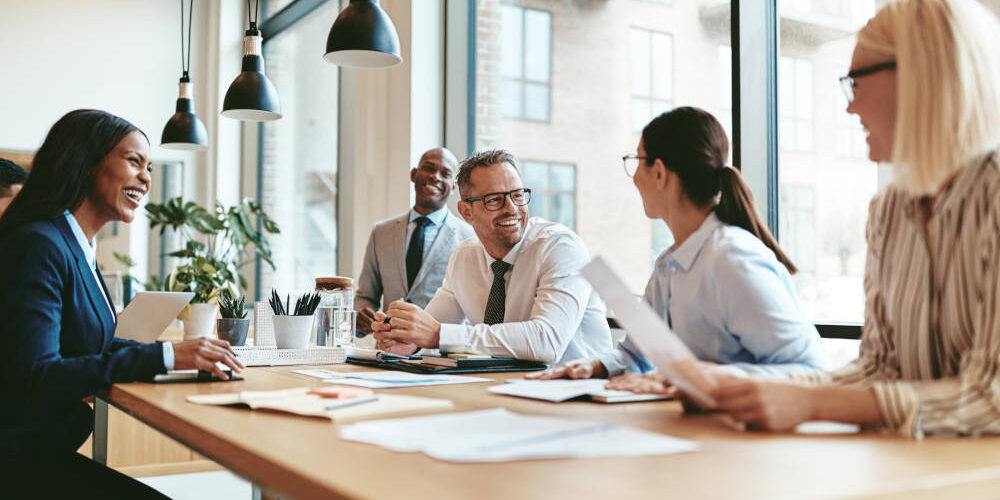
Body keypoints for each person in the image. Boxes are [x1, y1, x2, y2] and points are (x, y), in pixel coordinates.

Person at [708, 0, 1000, 437]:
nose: (849, 109)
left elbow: (991, 397)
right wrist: (748, 390)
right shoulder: (888, 212)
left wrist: (812, 402)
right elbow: (879, 369)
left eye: (855, 84)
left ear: (919, 75)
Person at [0, 110, 243, 496]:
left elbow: (85, 342)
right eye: (134, 162)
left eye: (149, 166)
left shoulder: (74, 244)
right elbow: (37, 376)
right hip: (20, 460)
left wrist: (174, 356)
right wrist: (164, 358)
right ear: (86, 161)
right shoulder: (40, 244)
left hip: (43, 450)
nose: (147, 178)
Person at [529, 107, 826, 387]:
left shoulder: (732, 260)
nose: (633, 176)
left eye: (637, 161)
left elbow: (808, 369)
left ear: (659, 173)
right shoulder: (669, 265)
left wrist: (705, 377)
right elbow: (638, 355)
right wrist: (595, 366)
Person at [370, 149, 612, 363]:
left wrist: (436, 335)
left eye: (517, 195)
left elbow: (546, 341)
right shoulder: (465, 258)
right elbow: (430, 328)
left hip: (578, 396)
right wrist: (409, 340)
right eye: (495, 199)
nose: (512, 208)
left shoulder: (561, 247)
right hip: (506, 390)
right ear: (466, 211)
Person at [355, 147, 475, 335]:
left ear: (453, 187)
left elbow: (473, 309)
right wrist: (361, 316)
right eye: (429, 168)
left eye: (445, 174)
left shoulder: (470, 238)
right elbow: (365, 297)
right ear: (413, 174)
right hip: (387, 350)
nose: (435, 177)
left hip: (439, 356)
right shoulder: (381, 232)